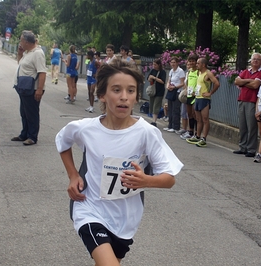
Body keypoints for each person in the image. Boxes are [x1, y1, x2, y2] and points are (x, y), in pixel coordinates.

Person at [55, 58, 183, 265]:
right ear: (103, 95)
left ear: (136, 96)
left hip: (126, 218)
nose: (124, 97)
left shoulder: (147, 133)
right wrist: (73, 175)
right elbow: (63, 141)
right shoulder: (86, 128)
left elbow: (169, 179)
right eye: (116, 90)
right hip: (89, 209)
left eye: (131, 91)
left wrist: (145, 180)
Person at [11, 30, 47, 146]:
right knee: (24, 112)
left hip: (33, 88)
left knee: (31, 113)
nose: (20, 42)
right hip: (23, 87)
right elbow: (21, 65)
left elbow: (42, 72)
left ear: (27, 42)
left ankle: (32, 136)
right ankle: (24, 134)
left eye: (21, 40)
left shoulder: (38, 53)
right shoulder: (28, 52)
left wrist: (39, 89)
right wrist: (20, 54)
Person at [233, 53, 261, 157]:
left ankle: (251, 149)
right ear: (251, 61)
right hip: (242, 100)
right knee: (242, 125)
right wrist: (248, 81)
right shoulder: (246, 71)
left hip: (252, 101)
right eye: (253, 59)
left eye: (257, 59)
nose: (255, 61)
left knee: (251, 126)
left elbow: (255, 85)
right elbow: (236, 81)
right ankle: (242, 147)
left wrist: (243, 83)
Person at [186, 58, 220, 147]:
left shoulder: (208, 73)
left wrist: (210, 93)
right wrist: (194, 93)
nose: (196, 65)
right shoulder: (198, 73)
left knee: (205, 119)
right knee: (198, 119)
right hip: (197, 97)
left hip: (205, 99)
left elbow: (217, 83)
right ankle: (197, 136)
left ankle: (204, 138)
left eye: (198, 63)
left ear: (203, 65)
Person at [163, 57, 185, 133]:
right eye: (171, 62)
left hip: (177, 91)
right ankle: (170, 125)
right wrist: (168, 86)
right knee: (170, 108)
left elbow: (182, 83)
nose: (172, 64)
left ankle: (175, 126)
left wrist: (174, 87)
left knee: (176, 109)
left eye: (174, 62)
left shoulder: (180, 71)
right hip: (171, 91)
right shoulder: (171, 71)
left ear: (177, 63)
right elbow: (169, 80)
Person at [180, 54, 199, 140]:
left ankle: (196, 133)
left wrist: (196, 92)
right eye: (190, 61)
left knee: (195, 115)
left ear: (196, 62)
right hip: (189, 95)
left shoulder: (198, 72)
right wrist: (187, 89)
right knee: (190, 114)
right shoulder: (189, 72)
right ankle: (190, 131)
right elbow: (186, 83)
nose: (191, 63)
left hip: (196, 96)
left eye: (193, 61)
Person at [147, 58, 166, 127]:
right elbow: (148, 79)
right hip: (153, 90)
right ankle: (152, 119)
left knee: (156, 106)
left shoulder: (162, 72)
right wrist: (150, 78)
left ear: (159, 65)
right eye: (153, 64)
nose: (154, 66)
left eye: (155, 65)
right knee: (151, 105)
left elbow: (163, 81)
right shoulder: (152, 70)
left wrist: (154, 78)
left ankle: (154, 121)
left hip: (159, 91)